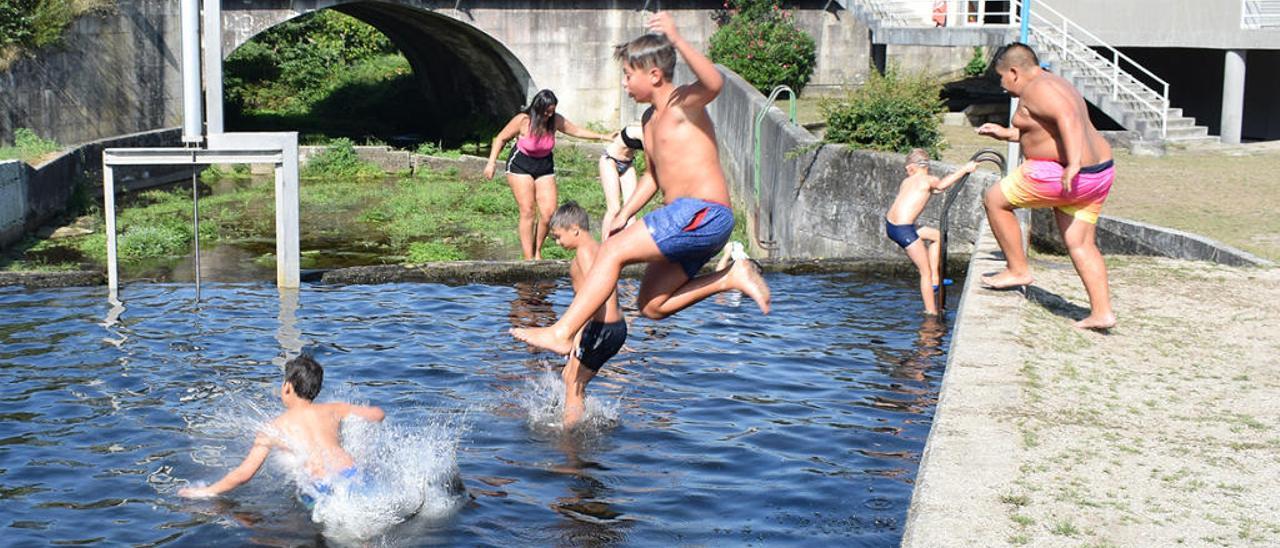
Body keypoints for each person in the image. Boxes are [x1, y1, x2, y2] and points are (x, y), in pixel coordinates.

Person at [511, 12, 770, 356]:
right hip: (685, 220)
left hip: (703, 212)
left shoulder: (683, 104)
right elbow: (654, 176)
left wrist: (676, 38)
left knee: (612, 253)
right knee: (651, 305)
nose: (624, 84)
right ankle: (730, 278)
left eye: (627, 75)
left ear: (654, 74)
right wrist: (623, 212)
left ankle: (563, 332)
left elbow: (714, 84)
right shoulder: (648, 121)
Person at [976, 42, 1117, 330]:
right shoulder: (1054, 82)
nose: (1003, 85)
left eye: (1002, 77)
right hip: (1099, 174)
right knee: (1080, 243)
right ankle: (1102, 312)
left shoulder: (1037, 89)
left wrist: (1074, 164)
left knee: (995, 200)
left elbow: (1068, 119)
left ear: (1014, 72)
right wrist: (1006, 133)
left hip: (1065, 174)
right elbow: (1046, 131)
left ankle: (1017, 270)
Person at [178, 355, 385, 501]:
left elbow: (244, 474)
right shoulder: (334, 409)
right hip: (353, 474)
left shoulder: (274, 428)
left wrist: (206, 491)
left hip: (321, 486)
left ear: (287, 386)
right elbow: (377, 414)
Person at [484, 89, 613, 260]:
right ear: (537, 108)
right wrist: (491, 163)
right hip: (520, 164)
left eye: (552, 111)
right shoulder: (523, 120)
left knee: (548, 212)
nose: (549, 115)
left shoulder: (555, 120)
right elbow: (500, 138)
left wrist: (604, 136)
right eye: (546, 111)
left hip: (544, 165)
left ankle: (537, 250)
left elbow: (577, 131)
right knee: (528, 210)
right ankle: (528, 256)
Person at [546, 201, 626, 428]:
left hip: (603, 327)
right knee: (568, 376)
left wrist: (576, 334)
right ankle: (583, 415)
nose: (558, 242)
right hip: (608, 327)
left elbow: (597, 295)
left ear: (575, 229)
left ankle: (570, 440)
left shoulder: (584, 253)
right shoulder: (597, 249)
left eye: (558, 236)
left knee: (573, 381)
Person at [886, 149, 977, 316]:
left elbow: (936, 189)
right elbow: (940, 185)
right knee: (924, 272)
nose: (906, 171)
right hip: (903, 230)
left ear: (913, 167)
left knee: (937, 236)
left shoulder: (909, 181)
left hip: (892, 226)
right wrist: (965, 169)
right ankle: (931, 312)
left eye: (907, 168)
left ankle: (936, 278)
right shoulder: (929, 180)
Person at [598, 125, 645, 237]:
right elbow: (652, 153)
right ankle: (604, 247)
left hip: (627, 164)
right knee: (614, 208)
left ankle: (629, 248)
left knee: (631, 210)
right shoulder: (638, 131)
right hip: (610, 161)